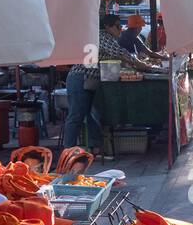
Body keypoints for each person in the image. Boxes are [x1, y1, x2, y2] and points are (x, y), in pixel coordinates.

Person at [65, 13, 153, 150]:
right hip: (80, 79)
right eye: (118, 26)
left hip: (89, 80)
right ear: (107, 26)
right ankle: (68, 151)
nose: (120, 29)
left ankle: (96, 147)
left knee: (92, 115)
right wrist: (139, 63)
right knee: (76, 116)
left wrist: (134, 64)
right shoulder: (102, 36)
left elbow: (116, 58)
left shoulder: (107, 37)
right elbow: (119, 52)